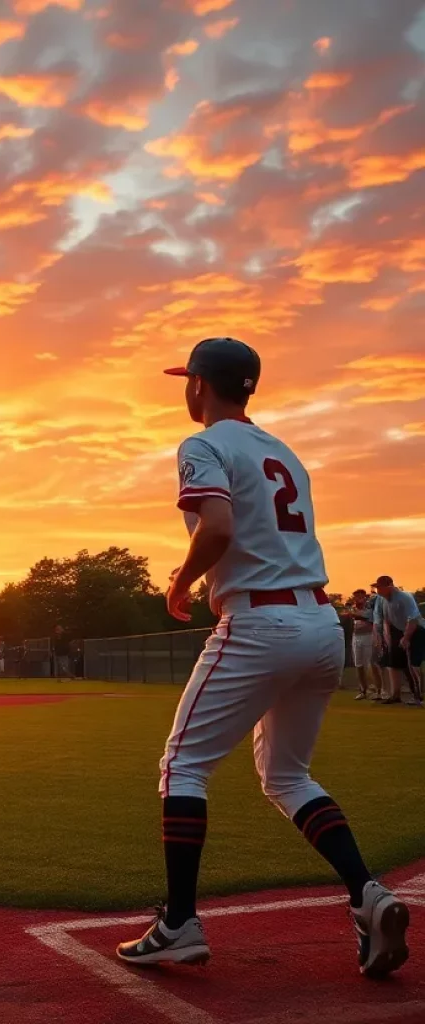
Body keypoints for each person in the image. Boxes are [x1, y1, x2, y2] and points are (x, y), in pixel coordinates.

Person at [117, 337, 408, 978]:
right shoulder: (284, 451)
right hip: (320, 622)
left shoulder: (203, 444)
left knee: (183, 765)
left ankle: (179, 924)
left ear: (198, 385)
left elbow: (217, 528)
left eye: (186, 380)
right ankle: (369, 895)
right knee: (287, 776)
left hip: (260, 621)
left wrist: (180, 581)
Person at [372, 576, 425, 707]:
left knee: (413, 665)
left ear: (389, 586)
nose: (377, 590)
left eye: (380, 587)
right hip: (399, 630)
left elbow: (413, 619)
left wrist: (406, 638)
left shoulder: (404, 597)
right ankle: (395, 695)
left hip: (417, 631)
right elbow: (387, 619)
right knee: (394, 663)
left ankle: (419, 697)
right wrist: (388, 636)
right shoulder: (384, 600)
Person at [348, 590, 384, 701]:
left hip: (368, 636)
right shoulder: (353, 608)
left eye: (360, 596)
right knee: (359, 665)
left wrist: (353, 614)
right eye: (355, 597)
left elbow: (367, 619)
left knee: (372, 664)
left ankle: (379, 691)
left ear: (365, 597)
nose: (358, 599)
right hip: (356, 637)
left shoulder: (370, 609)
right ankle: (363, 690)